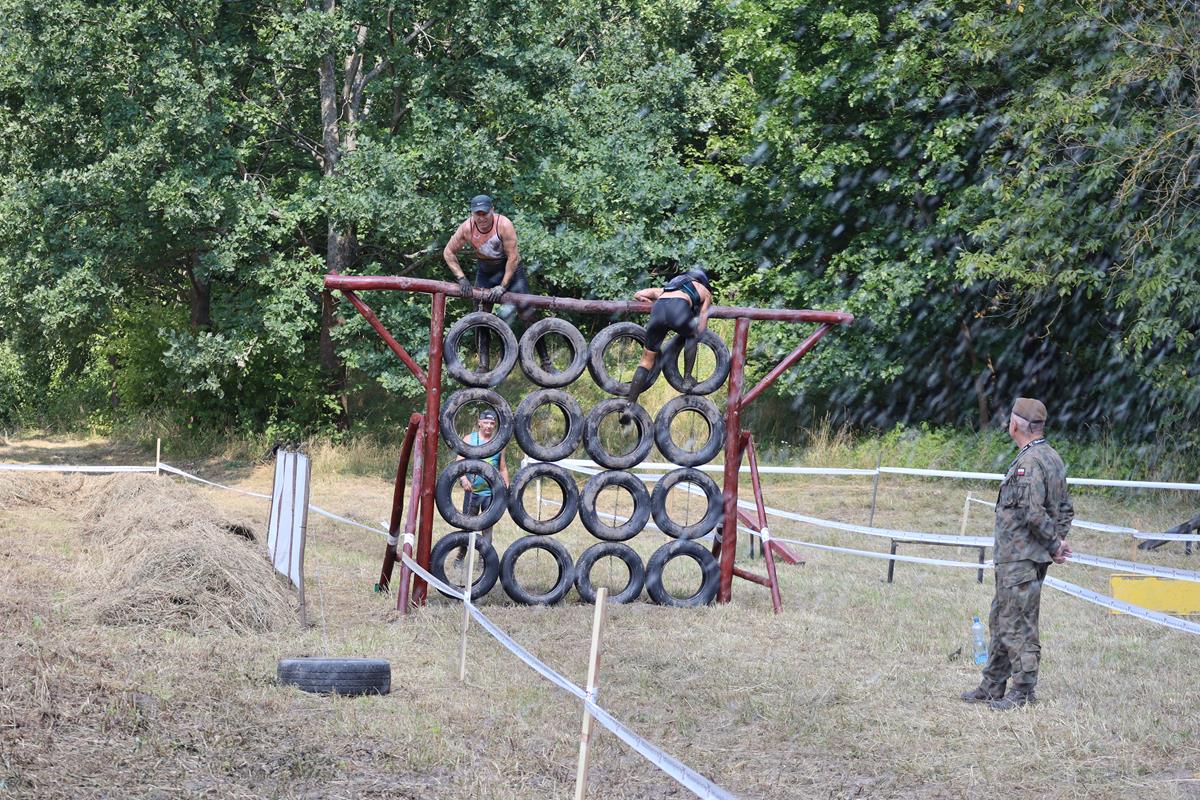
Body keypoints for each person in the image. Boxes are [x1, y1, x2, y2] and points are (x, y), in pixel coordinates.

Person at [961, 397, 1074, 711]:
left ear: (1014, 425)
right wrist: (1056, 541)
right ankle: (992, 685)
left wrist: (1054, 544)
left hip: (1020, 558)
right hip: (1024, 557)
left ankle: (1023, 691)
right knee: (1002, 618)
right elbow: (1065, 508)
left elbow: (1032, 513)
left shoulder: (1029, 463)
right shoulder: (1051, 457)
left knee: (1017, 624)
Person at [442, 194, 549, 369]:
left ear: (492, 210)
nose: (482, 218)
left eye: (485, 213)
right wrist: (461, 278)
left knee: (527, 313)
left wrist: (503, 286)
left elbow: (513, 258)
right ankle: (483, 366)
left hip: (511, 271)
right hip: (486, 271)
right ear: (472, 214)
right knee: (480, 315)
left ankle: (546, 362)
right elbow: (448, 252)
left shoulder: (504, 224)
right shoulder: (467, 228)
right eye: (478, 214)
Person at [621, 267, 714, 421]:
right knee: (693, 335)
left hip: (658, 309)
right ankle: (687, 378)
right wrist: (698, 330)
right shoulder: (704, 290)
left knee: (646, 361)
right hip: (678, 309)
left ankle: (629, 406)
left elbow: (638, 294)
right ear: (703, 281)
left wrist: (645, 301)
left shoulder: (667, 288)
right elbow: (703, 317)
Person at [453, 408, 509, 566]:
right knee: (467, 526)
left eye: (492, 423)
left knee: (487, 527)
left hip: (490, 493)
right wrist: (463, 479)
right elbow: (459, 463)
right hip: (472, 492)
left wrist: (506, 488)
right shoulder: (469, 439)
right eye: (486, 422)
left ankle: (483, 562)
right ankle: (460, 558)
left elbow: (503, 468)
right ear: (479, 423)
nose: (489, 426)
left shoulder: (498, 443)